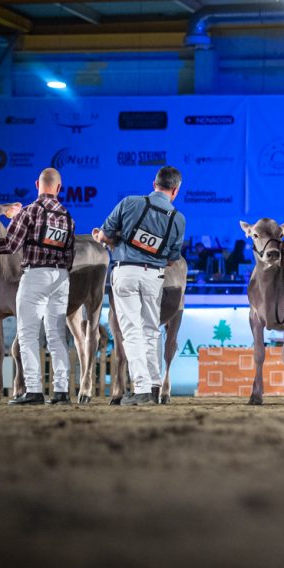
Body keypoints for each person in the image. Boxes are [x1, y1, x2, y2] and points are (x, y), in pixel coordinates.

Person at [0, 167, 77, 405]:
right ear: (59, 188)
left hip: (35, 275)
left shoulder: (29, 211)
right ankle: (61, 391)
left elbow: (9, 246)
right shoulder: (67, 217)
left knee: (28, 334)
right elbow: (70, 254)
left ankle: (33, 390)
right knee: (57, 336)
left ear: (36, 185)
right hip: (61, 276)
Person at [94, 166, 187, 406]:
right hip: (154, 276)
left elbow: (104, 235)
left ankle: (142, 389)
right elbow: (172, 259)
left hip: (126, 271)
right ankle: (154, 386)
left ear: (154, 184)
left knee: (132, 332)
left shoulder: (129, 203)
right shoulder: (178, 218)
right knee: (151, 330)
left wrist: (104, 239)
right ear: (175, 190)